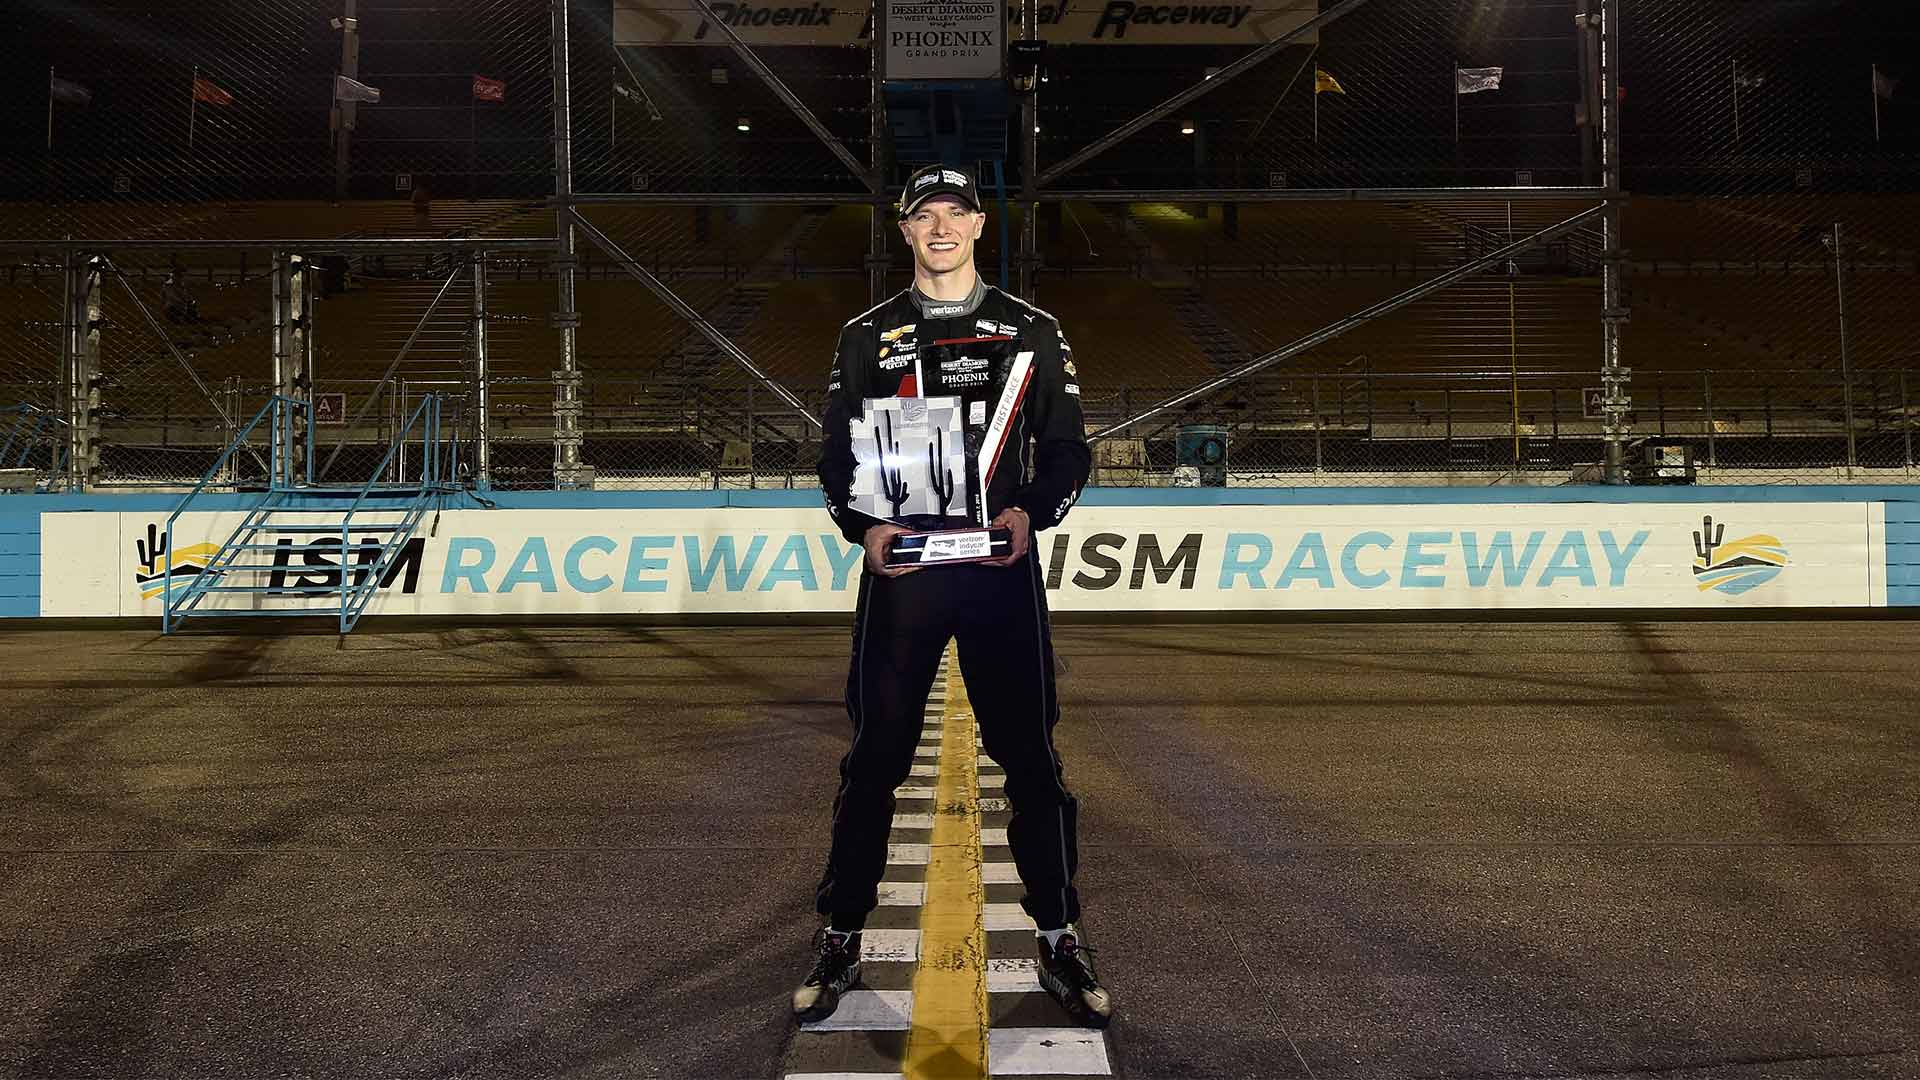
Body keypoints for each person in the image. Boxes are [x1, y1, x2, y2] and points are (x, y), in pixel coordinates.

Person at [795, 163, 1110, 1029]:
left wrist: (1032, 515)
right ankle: (843, 931)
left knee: (1033, 763)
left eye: (956, 214)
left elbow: (1068, 449)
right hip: (904, 579)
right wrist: (862, 528)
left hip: (998, 574)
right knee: (876, 763)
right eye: (923, 215)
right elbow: (833, 457)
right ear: (903, 230)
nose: (941, 228)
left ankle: (1058, 933)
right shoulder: (866, 335)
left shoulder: (1031, 331)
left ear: (979, 227)